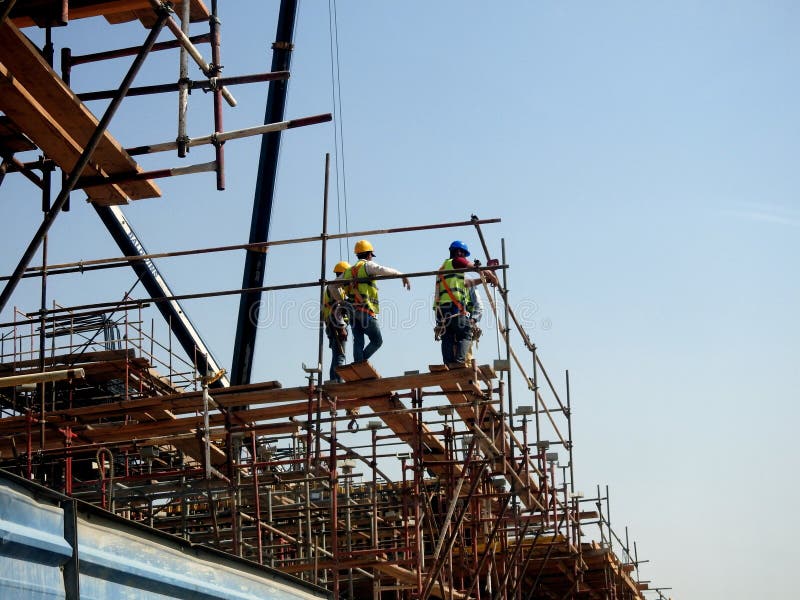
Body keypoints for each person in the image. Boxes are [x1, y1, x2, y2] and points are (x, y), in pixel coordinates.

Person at [342, 239, 411, 363]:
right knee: (377, 341)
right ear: (369, 255)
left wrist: (341, 301)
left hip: (352, 312)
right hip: (365, 311)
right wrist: (401, 274)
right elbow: (382, 270)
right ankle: (360, 363)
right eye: (371, 256)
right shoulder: (367, 265)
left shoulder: (347, 271)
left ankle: (358, 364)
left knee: (358, 341)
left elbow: (331, 286)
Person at [434, 240, 497, 365]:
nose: (464, 258)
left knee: (448, 336)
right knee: (466, 333)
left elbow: (467, 284)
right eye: (463, 254)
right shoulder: (456, 261)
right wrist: (487, 272)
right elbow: (473, 267)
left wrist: (484, 279)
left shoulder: (444, 268)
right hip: (454, 309)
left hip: (441, 311)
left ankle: (448, 363)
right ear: (458, 252)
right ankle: (459, 361)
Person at [322, 261, 350, 382]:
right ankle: (338, 381)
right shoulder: (334, 288)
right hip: (337, 324)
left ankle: (334, 380)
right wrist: (342, 327)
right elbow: (336, 309)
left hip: (331, 324)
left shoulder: (330, 288)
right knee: (340, 355)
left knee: (336, 355)